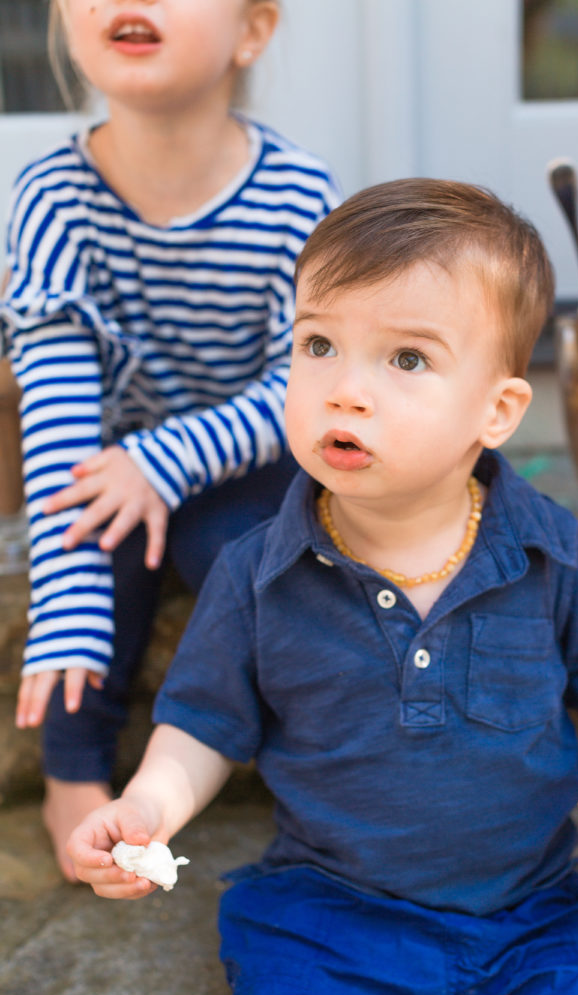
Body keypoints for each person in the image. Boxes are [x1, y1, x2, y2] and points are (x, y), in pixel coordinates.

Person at [68, 179, 578, 995]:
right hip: (328, 922)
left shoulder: (549, 549)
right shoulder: (256, 573)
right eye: (319, 344)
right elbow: (201, 726)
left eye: (405, 360)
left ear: (498, 411)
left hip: (525, 923)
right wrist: (148, 808)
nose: (345, 390)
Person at [0, 0, 339, 880]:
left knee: (232, 549)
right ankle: (74, 776)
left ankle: (314, 764)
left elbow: (307, 387)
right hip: (109, 459)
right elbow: (58, 412)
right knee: (92, 537)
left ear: (252, 31)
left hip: (259, 454)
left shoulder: (297, 197)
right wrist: (63, 607)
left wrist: (166, 461)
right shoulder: (49, 200)